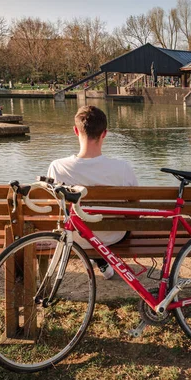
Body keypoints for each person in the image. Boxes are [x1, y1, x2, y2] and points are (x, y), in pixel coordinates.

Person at [47, 105, 138, 279]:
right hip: (114, 235)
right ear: (104, 133)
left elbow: (55, 211)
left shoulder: (57, 167)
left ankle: (100, 260)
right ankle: (101, 259)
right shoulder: (123, 168)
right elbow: (134, 211)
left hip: (74, 236)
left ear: (75, 131)